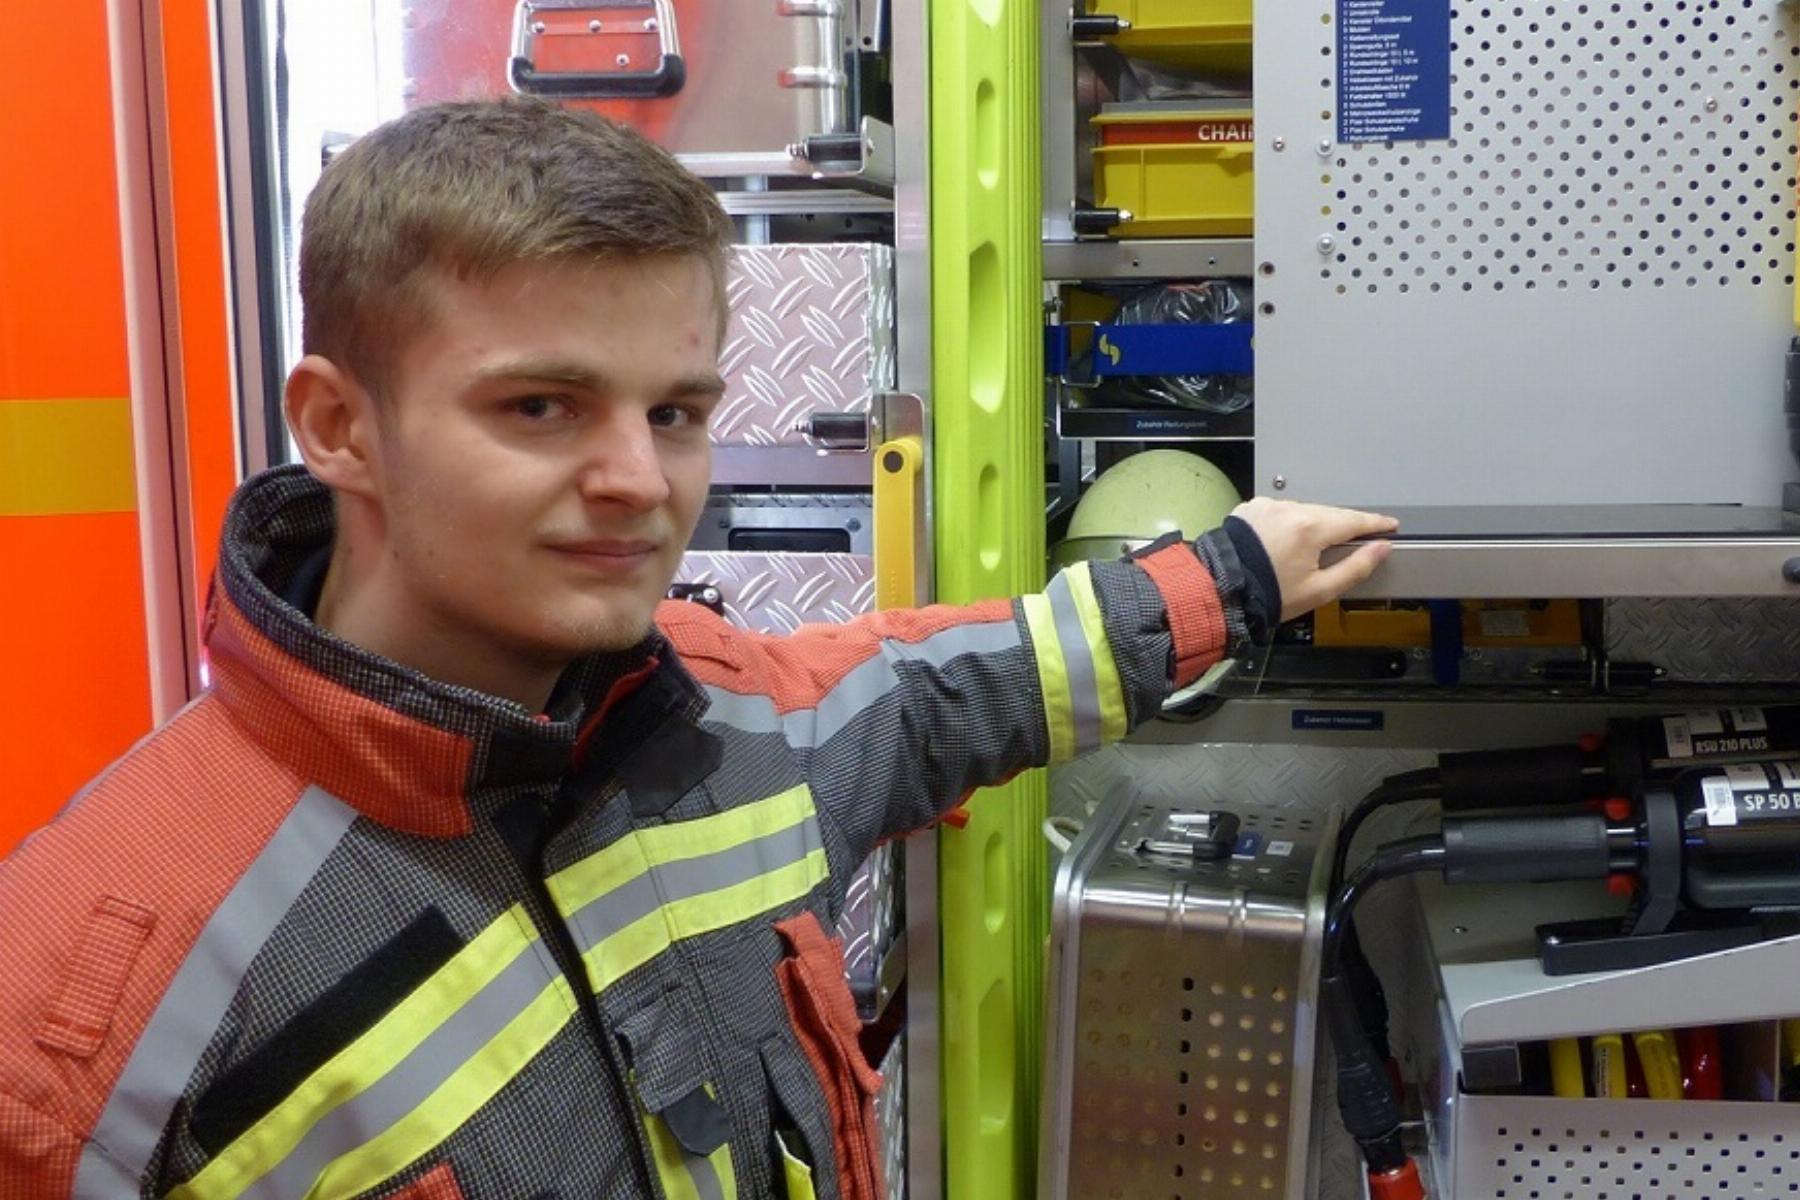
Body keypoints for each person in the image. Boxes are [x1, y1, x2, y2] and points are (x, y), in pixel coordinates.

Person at [0, 98, 1394, 1200]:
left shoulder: (725, 725)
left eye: (674, 413)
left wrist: (1234, 578)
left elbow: (957, 689)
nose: (639, 482)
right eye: (541, 407)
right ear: (338, 426)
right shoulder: (78, 1002)